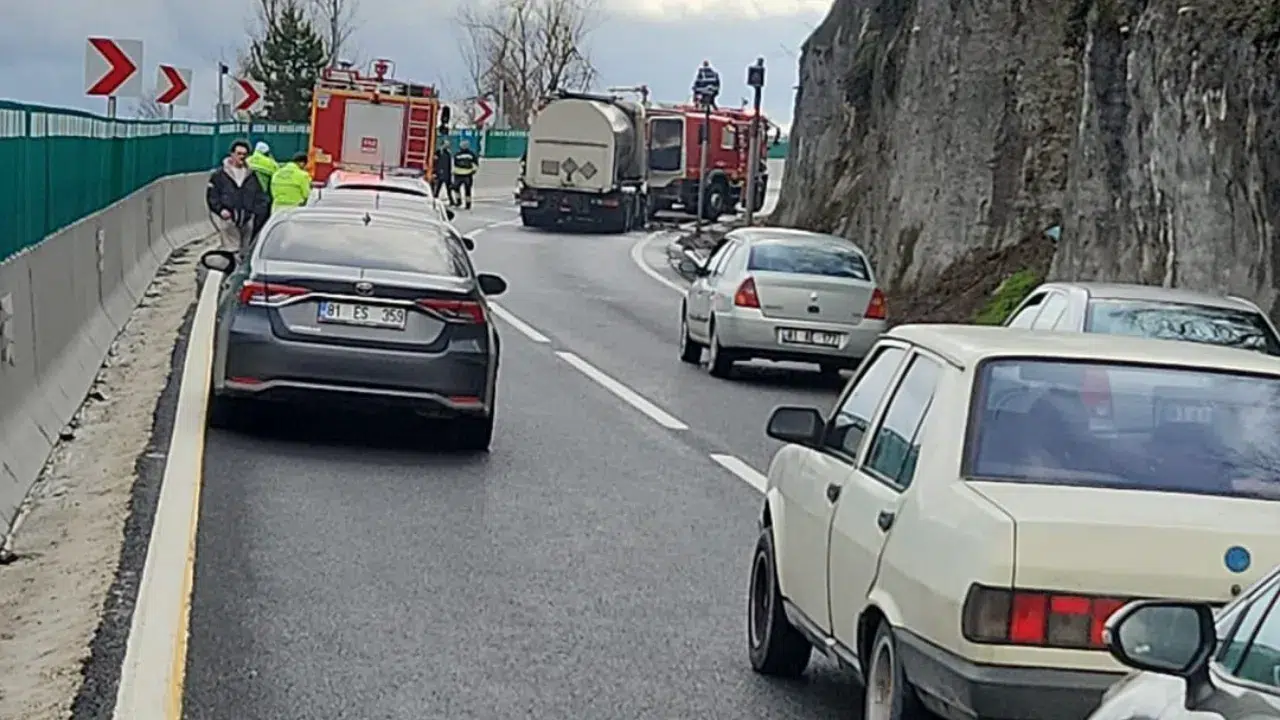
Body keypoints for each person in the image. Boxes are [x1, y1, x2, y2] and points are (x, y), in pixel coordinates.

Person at [206, 139, 271, 253]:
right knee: (232, 250)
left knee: (245, 252)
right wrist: (221, 210)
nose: (242, 157)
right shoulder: (220, 175)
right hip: (229, 219)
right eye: (239, 154)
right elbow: (212, 196)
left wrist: (255, 213)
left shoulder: (251, 175)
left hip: (247, 219)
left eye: (244, 154)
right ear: (232, 154)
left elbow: (259, 195)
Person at [452, 140, 479, 209]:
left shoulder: (457, 154)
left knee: (456, 188)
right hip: (467, 175)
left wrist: (454, 172)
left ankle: (459, 201)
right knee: (467, 190)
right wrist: (473, 171)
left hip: (458, 175)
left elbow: (454, 164)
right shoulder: (471, 154)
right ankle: (468, 204)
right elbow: (476, 164)